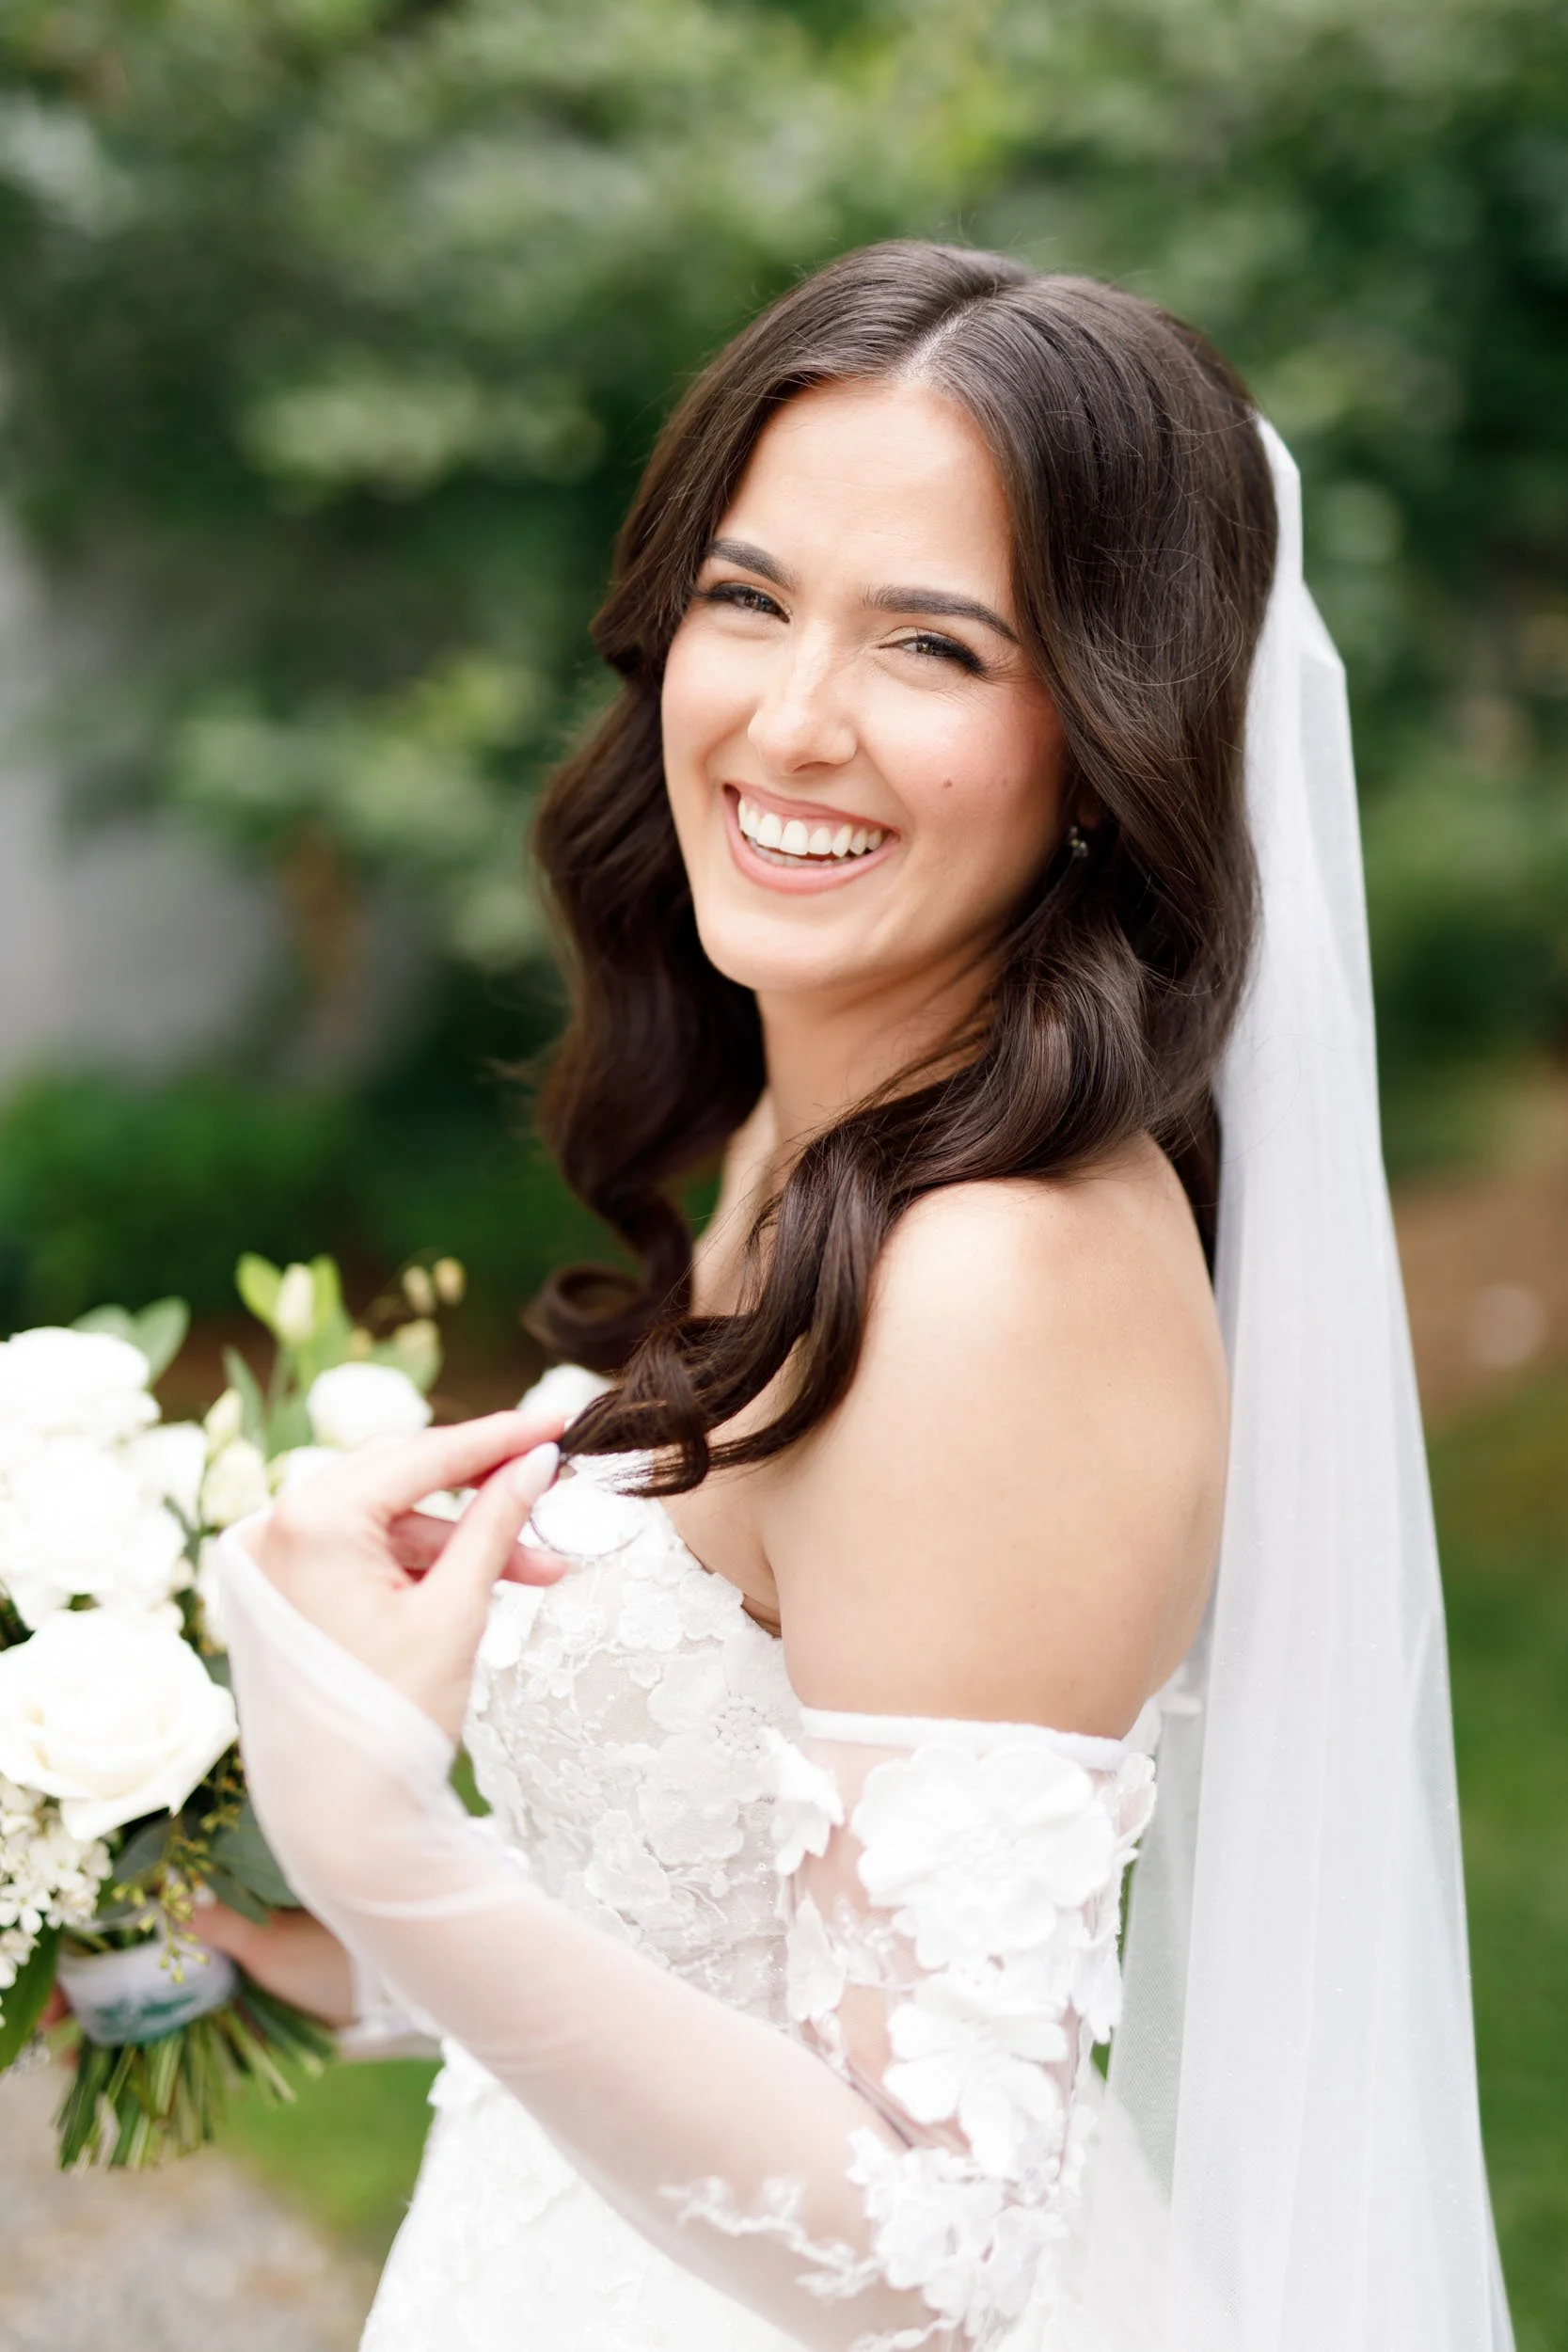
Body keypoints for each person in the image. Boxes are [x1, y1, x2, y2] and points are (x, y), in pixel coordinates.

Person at [205, 244, 1513, 2351]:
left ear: (1105, 739)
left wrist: (380, 1828)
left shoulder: (993, 1277)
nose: (788, 719)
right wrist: (282, 1925)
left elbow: (935, 2243)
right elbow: (726, 1927)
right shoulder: (800, 1144)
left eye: (932, 642)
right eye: (745, 598)